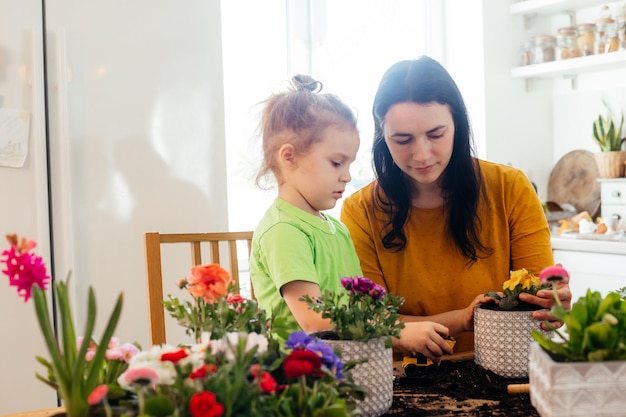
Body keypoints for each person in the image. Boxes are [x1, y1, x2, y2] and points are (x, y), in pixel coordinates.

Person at [340, 56, 572, 353]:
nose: (422, 155)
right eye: (402, 139)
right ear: (382, 137)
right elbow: (372, 321)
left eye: (436, 135)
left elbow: (537, 300)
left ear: (458, 126)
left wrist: (551, 304)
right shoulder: (360, 211)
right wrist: (461, 320)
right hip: (406, 376)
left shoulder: (509, 188)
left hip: (505, 367)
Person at [249, 74, 454, 359]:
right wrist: (396, 333)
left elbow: (360, 311)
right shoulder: (284, 230)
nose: (346, 176)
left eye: (349, 164)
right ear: (289, 157)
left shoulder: (334, 228)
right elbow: (315, 322)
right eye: (336, 163)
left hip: (344, 368)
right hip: (301, 378)